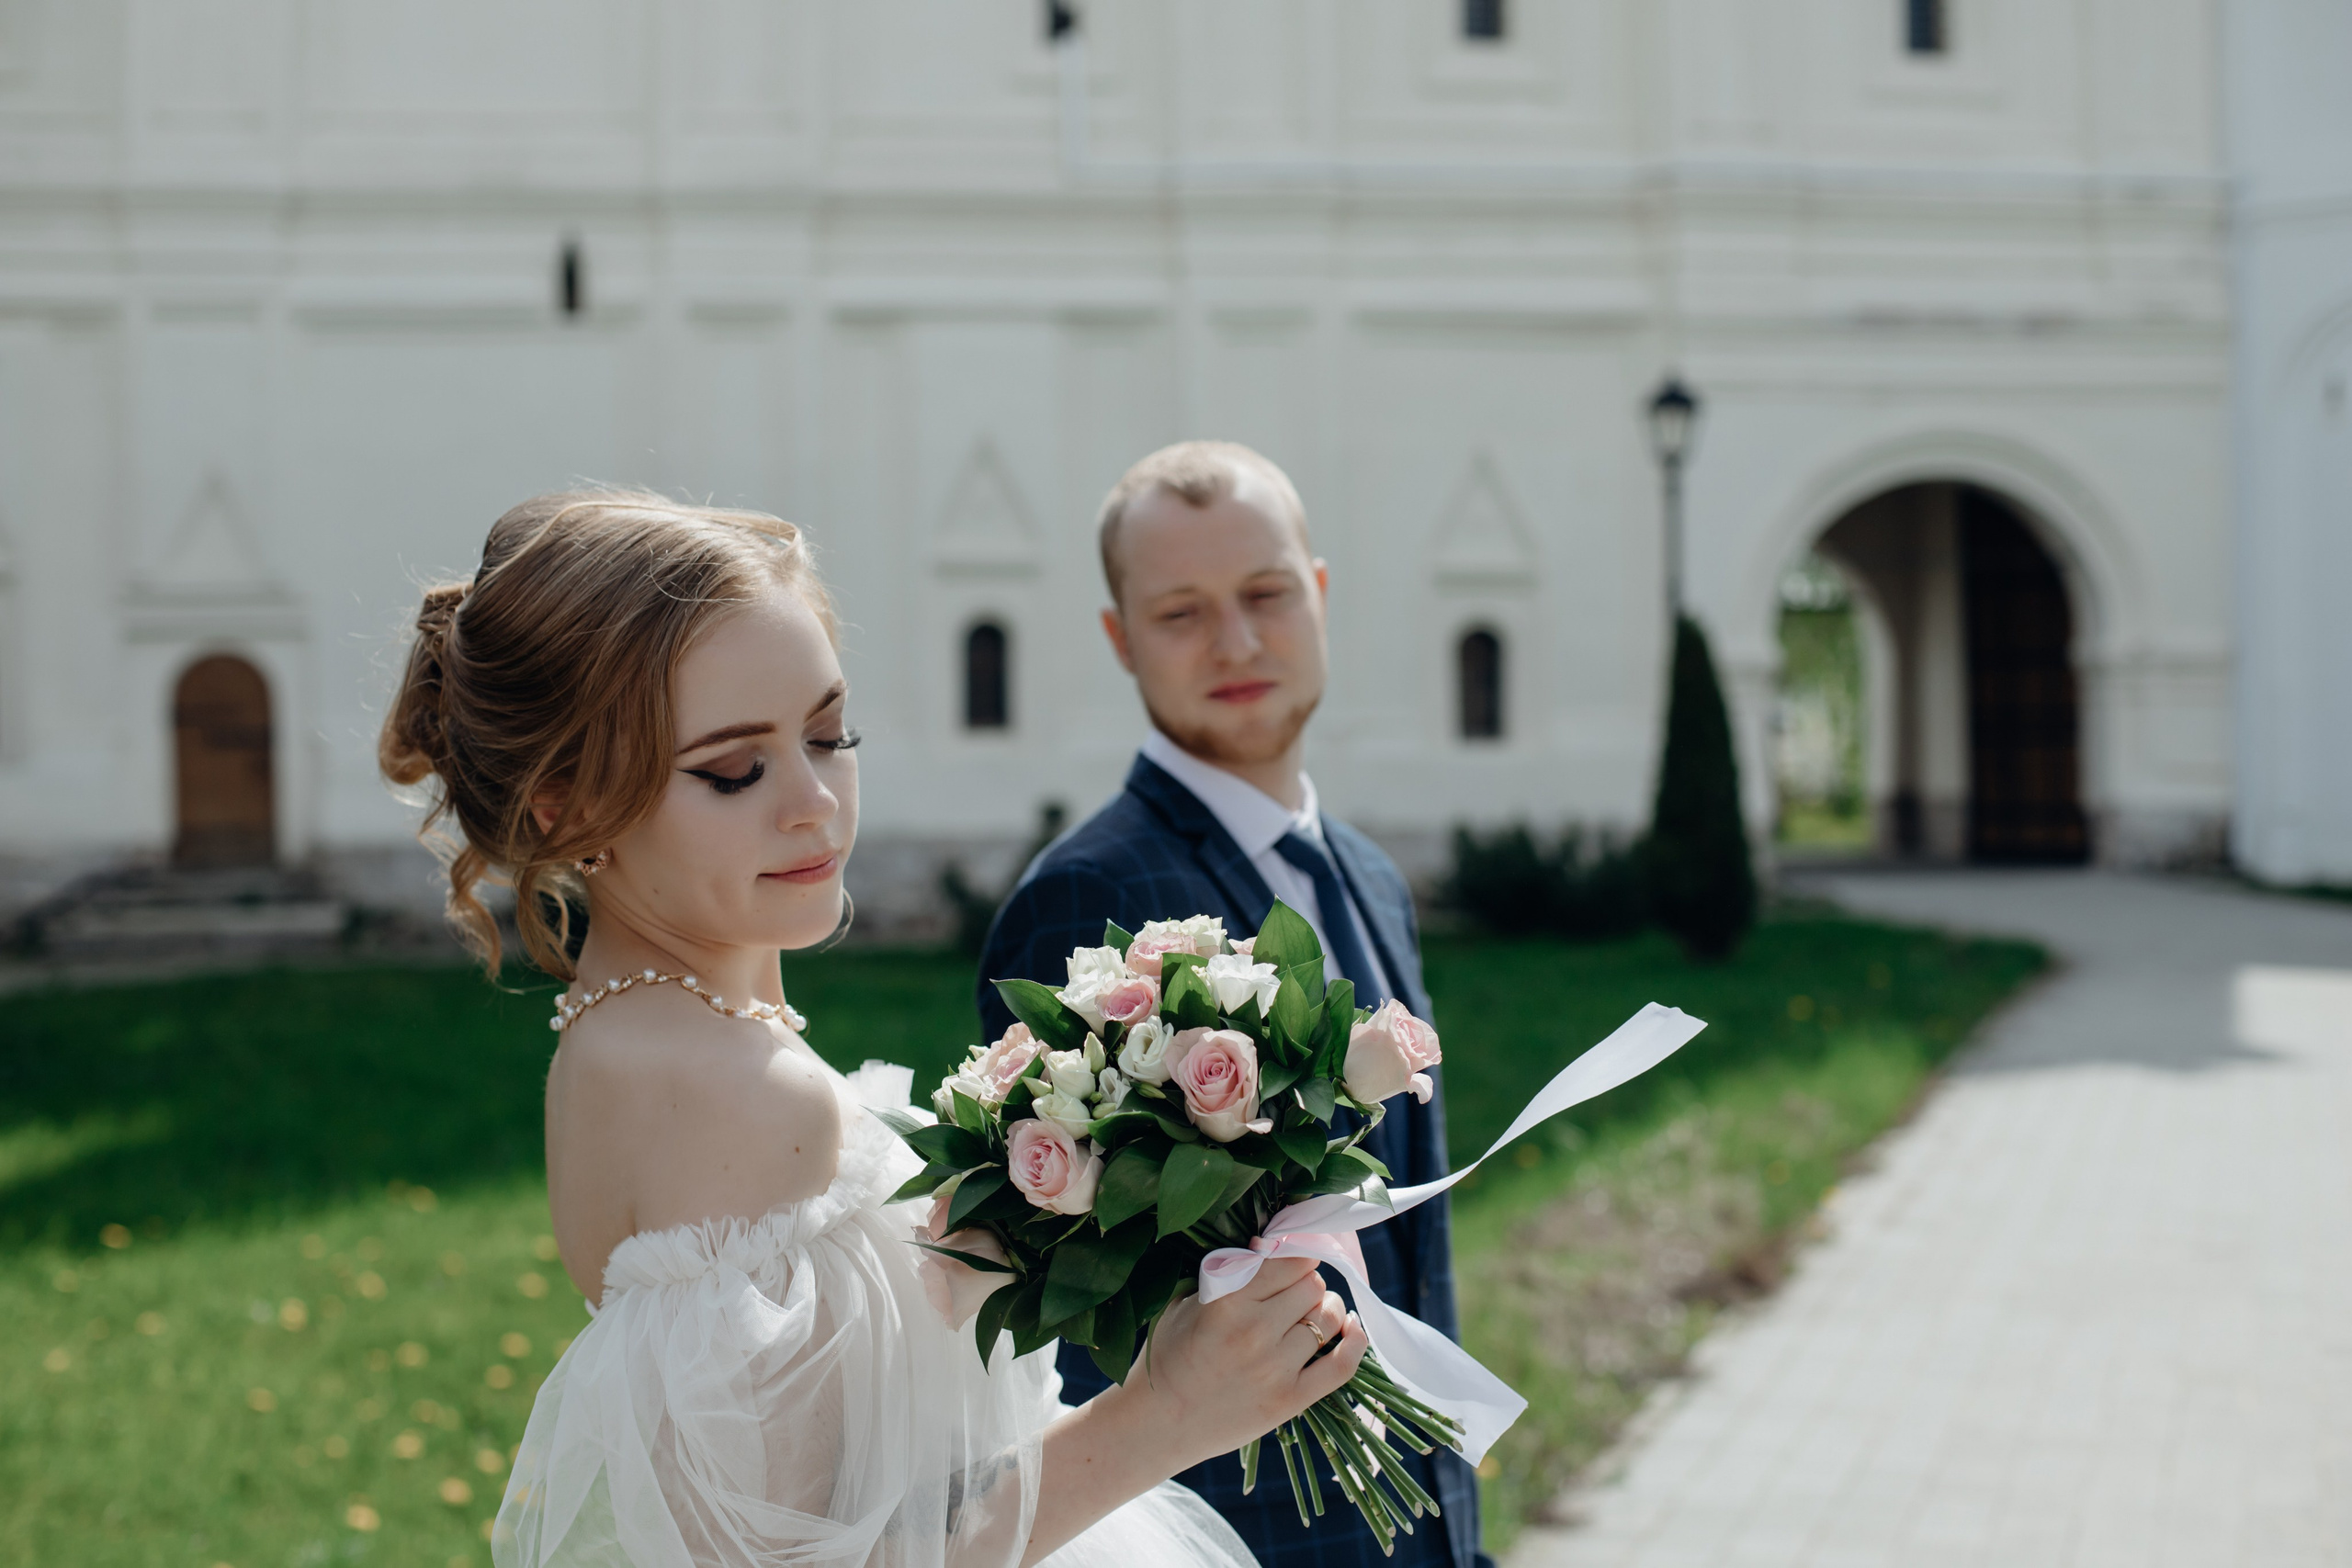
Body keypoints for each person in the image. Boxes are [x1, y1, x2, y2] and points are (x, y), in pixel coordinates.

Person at [379, 487, 1370, 1568]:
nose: (814, 800)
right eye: (732, 770)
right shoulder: (724, 1083)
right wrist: (1166, 1414)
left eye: (828, 733)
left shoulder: (639, 1037)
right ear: (562, 804)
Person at [978, 444, 1485, 1568]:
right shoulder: (1087, 899)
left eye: (1265, 594)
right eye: (1181, 612)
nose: (1237, 642)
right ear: (1119, 637)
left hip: (1417, 1521)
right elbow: (1085, 1302)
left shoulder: (1366, 874)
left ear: (1318, 593)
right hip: (1237, 1532)